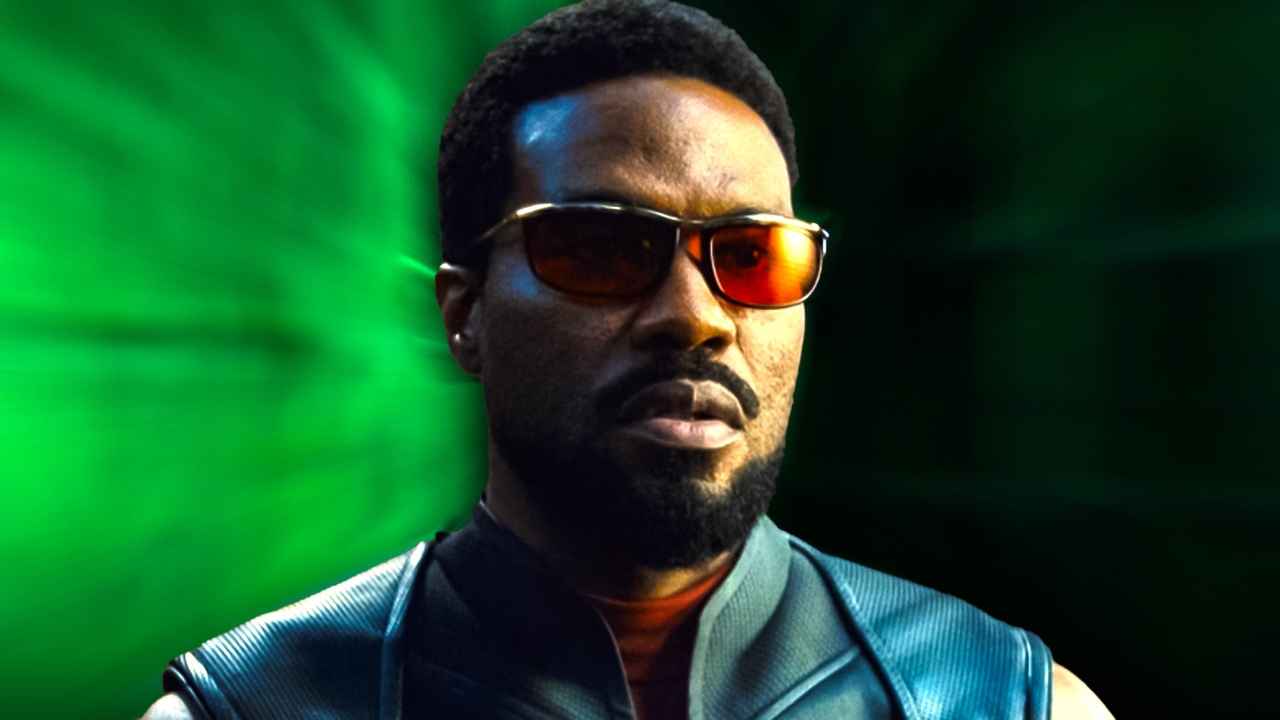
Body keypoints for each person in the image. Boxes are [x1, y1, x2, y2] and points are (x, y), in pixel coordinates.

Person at [144, 1, 1113, 718]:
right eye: (600, 249)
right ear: (464, 314)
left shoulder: (1000, 698)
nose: (694, 317)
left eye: (752, 256)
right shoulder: (256, 706)